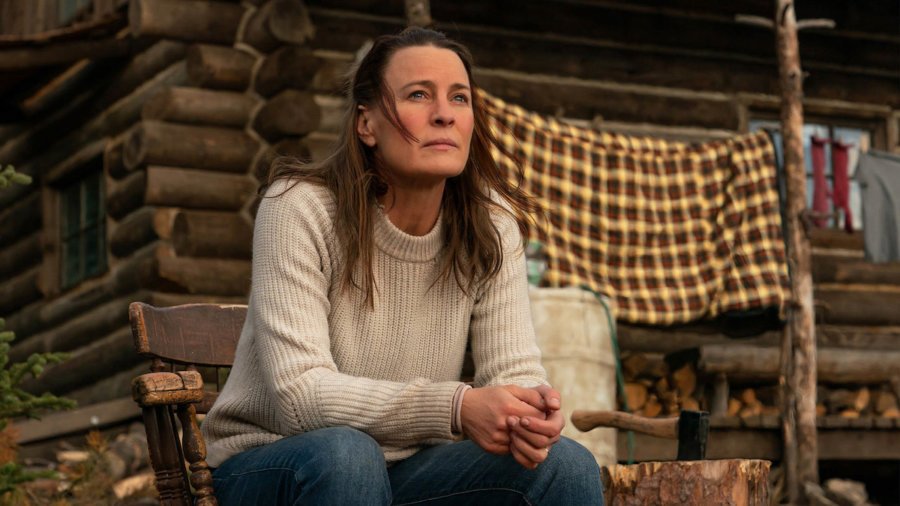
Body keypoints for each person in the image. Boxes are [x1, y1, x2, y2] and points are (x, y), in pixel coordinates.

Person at [201, 26, 604, 505]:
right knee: (348, 457)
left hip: (411, 469)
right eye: (418, 95)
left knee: (565, 465)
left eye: (459, 98)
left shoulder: (491, 225)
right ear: (365, 124)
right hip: (275, 463)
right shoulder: (299, 208)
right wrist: (455, 407)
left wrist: (529, 413)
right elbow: (300, 396)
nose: (443, 115)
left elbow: (512, 372)